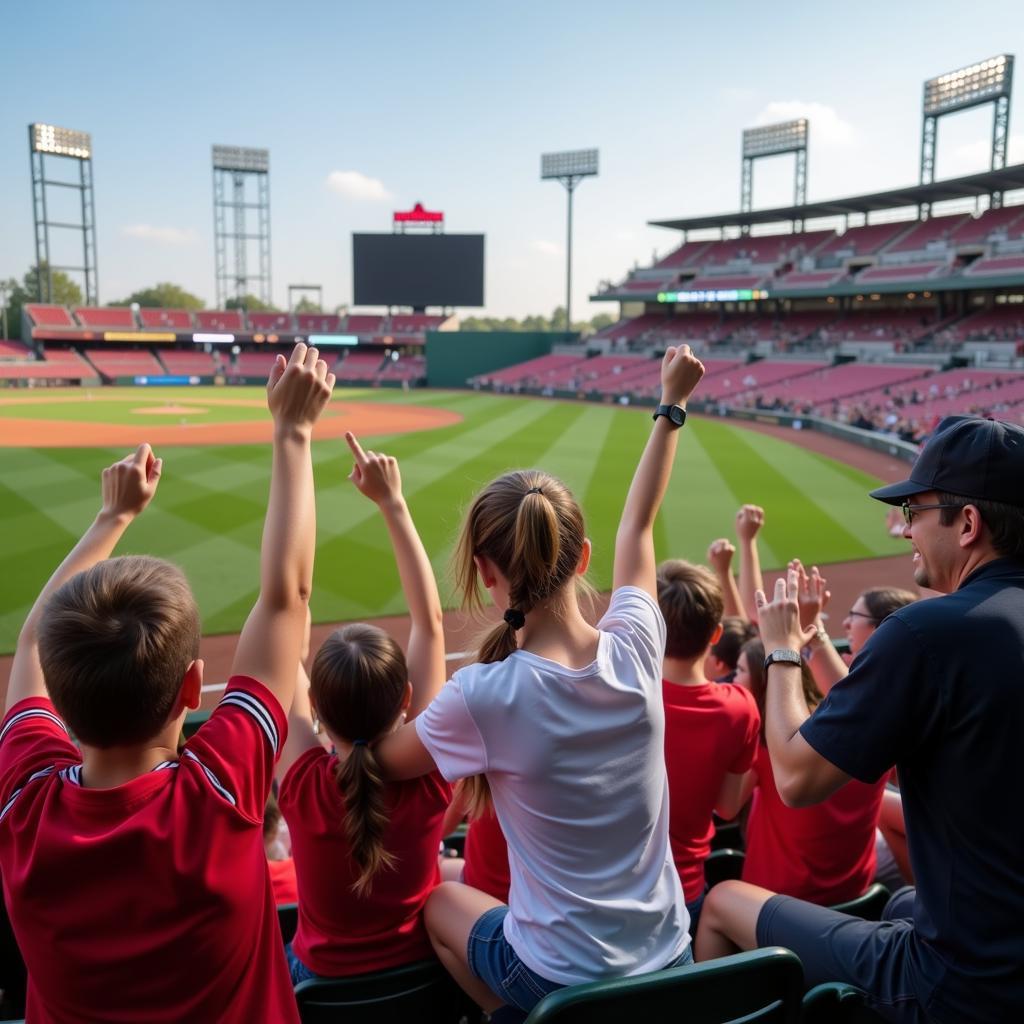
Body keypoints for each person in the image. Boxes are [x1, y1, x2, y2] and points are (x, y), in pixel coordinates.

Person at [367, 345, 706, 1019]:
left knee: (442, 903)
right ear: (581, 558)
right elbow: (638, 525)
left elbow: (382, 761)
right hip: (672, 961)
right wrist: (672, 403)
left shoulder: (486, 696)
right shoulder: (638, 643)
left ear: (488, 573)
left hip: (557, 981)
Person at [0, 343, 333, 1022]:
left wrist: (110, 518)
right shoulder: (219, 787)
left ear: (60, 705)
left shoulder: (27, 804)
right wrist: (293, 433)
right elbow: (287, 599)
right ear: (193, 688)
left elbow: (33, 640)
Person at [696, 415, 1024, 1024]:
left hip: (966, 985)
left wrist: (784, 648)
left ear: (970, 524)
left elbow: (795, 778)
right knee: (901, 900)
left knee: (724, 899)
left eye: (917, 512)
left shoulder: (929, 633)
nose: (905, 530)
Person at [276, 433, 451, 982]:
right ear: (405, 699)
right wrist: (393, 504)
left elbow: (281, 637)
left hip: (319, 985)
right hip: (422, 980)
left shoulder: (303, 784)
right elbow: (430, 624)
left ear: (315, 712)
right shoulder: (430, 775)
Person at [734, 638, 885, 905]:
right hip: (857, 895)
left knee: (717, 900)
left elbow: (727, 807)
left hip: (781, 901)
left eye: (740, 671)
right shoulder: (876, 734)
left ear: (762, 682)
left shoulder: (767, 747)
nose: (732, 681)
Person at [657, 560, 760, 930]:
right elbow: (729, 807)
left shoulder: (619, 696)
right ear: (716, 634)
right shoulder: (739, 707)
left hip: (611, 898)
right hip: (684, 893)